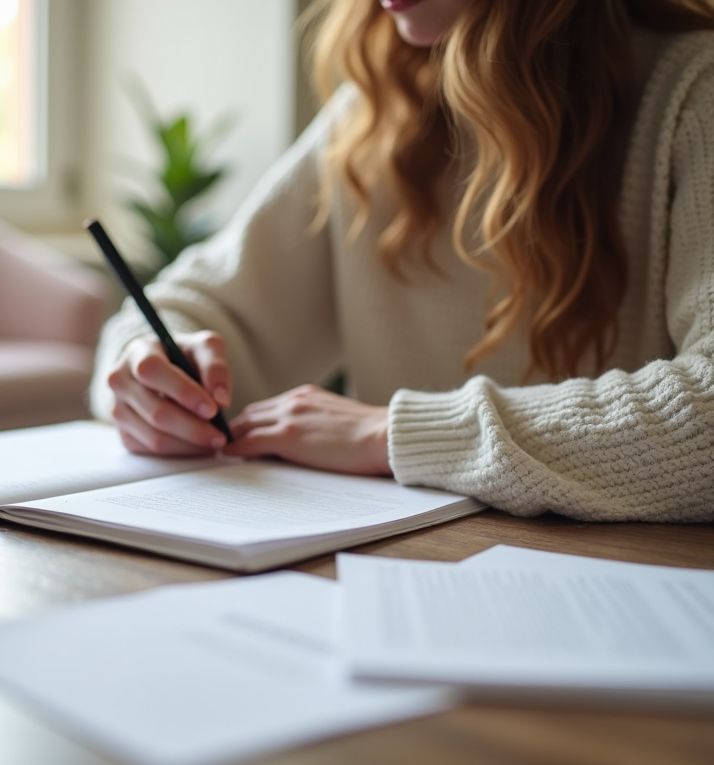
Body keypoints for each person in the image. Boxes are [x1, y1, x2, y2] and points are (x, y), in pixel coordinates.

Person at [90, 0, 714, 523]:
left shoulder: (692, 92)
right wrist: (145, 372)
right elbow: (191, 309)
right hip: (401, 576)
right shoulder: (372, 118)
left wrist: (393, 435)